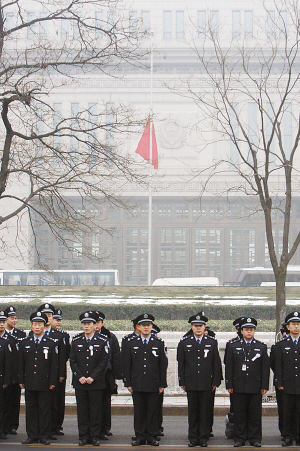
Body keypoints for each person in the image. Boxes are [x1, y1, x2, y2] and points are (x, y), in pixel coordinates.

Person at [177, 313, 222, 448]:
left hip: (206, 382)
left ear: (205, 327)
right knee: (193, 411)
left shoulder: (212, 342)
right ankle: (193, 437)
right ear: (191, 327)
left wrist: (215, 381)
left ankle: (203, 437)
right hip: (191, 382)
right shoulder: (184, 342)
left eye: (200, 326)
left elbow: (216, 364)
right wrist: (182, 381)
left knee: (204, 411)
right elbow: (181, 364)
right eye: (195, 326)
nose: (198, 328)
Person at [122, 313, 168, 446]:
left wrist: (162, 384)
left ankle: (152, 436)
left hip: (153, 383)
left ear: (152, 327)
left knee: (152, 411)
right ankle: (140, 436)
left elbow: (162, 364)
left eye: (148, 325)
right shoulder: (132, 343)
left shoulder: (158, 343)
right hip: (137, 382)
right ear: (139, 327)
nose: (146, 328)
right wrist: (128, 382)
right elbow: (127, 364)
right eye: (143, 325)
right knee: (139, 411)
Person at [225, 317, 270, 448]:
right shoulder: (233, 346)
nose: (249, 332)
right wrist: (229, 385)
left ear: (254, 331)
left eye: (251, 330)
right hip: (238, 386)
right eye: (246, 330)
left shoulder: (261, 347)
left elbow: (265, 368)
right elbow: (229, 367)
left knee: (255, 414)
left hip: (255, 386)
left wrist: (264, 386)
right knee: (239, 413)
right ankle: (239, 438)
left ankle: (255, 438)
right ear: (241, 331)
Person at [69, 311, 109, 447]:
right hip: (80, 382)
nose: (86, 326)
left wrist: (93, 377)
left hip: (95, 383)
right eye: (84, 324)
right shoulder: (76, 340)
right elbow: (73, 361)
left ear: (94, 325)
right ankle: (83, 436)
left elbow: (104, 362)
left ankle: (94, 436)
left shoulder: (102, 341)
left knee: (95, 410)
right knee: (82, 410)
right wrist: (80, 376)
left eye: (89, 324)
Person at [19, 311, 58, 445]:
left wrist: (53, 381)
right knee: (31, 410)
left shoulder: (51, 343)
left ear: (44, 326)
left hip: (45, 382)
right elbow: (21, 363)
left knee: (44, 410)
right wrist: (21, 380)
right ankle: (32, 435)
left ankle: (43, 435)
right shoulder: (24, 342)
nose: (37, 327)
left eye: (39, 324)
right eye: (34, 324)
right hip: (29, 382)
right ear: (31, 326)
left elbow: (54, 365)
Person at [92, 310, 122, 439]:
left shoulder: (110, 336)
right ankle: (94, 429)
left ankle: (105, 428)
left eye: (98, 322)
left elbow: (115, 356)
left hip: (106, 375)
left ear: (102, 323)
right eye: (94, 323)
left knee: (105, 403)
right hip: (91, 376)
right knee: (94, 403)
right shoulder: (85, 336)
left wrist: (116, 375)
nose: (96, 325)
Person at [273, 311, 300, 446]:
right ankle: (287, 435)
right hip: (287, 384)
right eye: (293, 324)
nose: (296, 327)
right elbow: (277, 365)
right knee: (287, 410)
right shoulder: (281, 345)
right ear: (288, 327)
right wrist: (279, 381)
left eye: (298, 324)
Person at [2, 306, 25, 437]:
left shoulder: (20, 334)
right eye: (12, 318)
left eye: (15, 318)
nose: (14, 320)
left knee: (15, 401)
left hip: (16, 374)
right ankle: (3, 426)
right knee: (5, 402)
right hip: (4, 375)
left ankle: (12, 425)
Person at [51, 308, 70, 436]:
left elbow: (65, 355)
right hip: (47, 373)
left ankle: (57, 425)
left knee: (59, 401)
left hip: (59, 373)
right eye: (56, 320)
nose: (58, 322)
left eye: (60, 320)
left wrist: (61, 373)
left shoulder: (63, 336)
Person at [0, 310, 13, 440]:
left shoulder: (6, 342)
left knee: (2, 406)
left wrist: (7, 380)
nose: (1, 324)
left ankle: (2, 430)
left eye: (3, 322)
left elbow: (9, 364)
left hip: (2, 378)